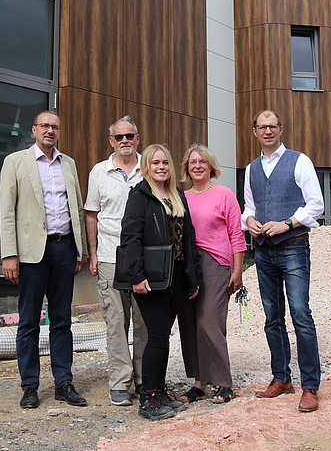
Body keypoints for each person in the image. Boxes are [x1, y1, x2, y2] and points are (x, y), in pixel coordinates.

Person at [0, 110, 88, 409]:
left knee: (62, 320)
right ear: (34, 130)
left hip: (64, 249)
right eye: (45, 126)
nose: (50, 131)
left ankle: (64, 383)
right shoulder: (15, 162)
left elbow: (76, 208)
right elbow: (6, 211)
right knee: (28, 322)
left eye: (55, 127)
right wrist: (9, 254)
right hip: (31, 254)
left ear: (59, 132)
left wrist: (80, 249)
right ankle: (30, 387)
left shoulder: (68, 164)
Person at [242, 110, 325, 413]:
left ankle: (310, 386)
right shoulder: (251, 168)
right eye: (262, 127)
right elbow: (249, 206)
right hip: (263, 251)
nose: (267, 131)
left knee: (300, 314)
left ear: (280, 129)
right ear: (255, 132)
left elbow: (316, 204)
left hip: (293, 247)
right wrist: (249, 221)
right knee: (272, 317)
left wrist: (287, 223)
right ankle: (281, 378)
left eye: (272, 126)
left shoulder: (299, 161)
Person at [119, 144, 202, 421]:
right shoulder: (140, 196)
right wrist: (136, 275)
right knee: (156, 335)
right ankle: (148, 398)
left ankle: (159, 392)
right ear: (147, 166)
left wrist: (192, 278)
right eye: (155, 163)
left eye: (165, 162)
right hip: (150, 277)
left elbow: (189, 239)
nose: (161, 167)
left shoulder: (177, 195)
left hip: (175, 275)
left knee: (163, 335)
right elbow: (130, 238)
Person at [84, 115, 148, 406]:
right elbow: (91, 215)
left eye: (129, 136)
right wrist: (94, 254)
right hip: (110, 256)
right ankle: (120, 383)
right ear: (111, 141)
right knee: (116, 321)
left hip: (144, 258)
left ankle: (144, 380)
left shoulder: (149, 167)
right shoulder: (99, 172)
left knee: (144, 321)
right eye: (119, 136)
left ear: (137, 139)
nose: (125, 141)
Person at [177, 144, 246, 404]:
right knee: (190, 324)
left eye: (202, 161)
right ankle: (199, 383)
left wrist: (237, 271)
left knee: (209, 322)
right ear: (187, 168)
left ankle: (223, 382)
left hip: (216, 264)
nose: (197, 166)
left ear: (210, 166)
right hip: (186, 265)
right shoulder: (181, 197)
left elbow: (236, 234)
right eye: (192, 162)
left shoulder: (224, 195)